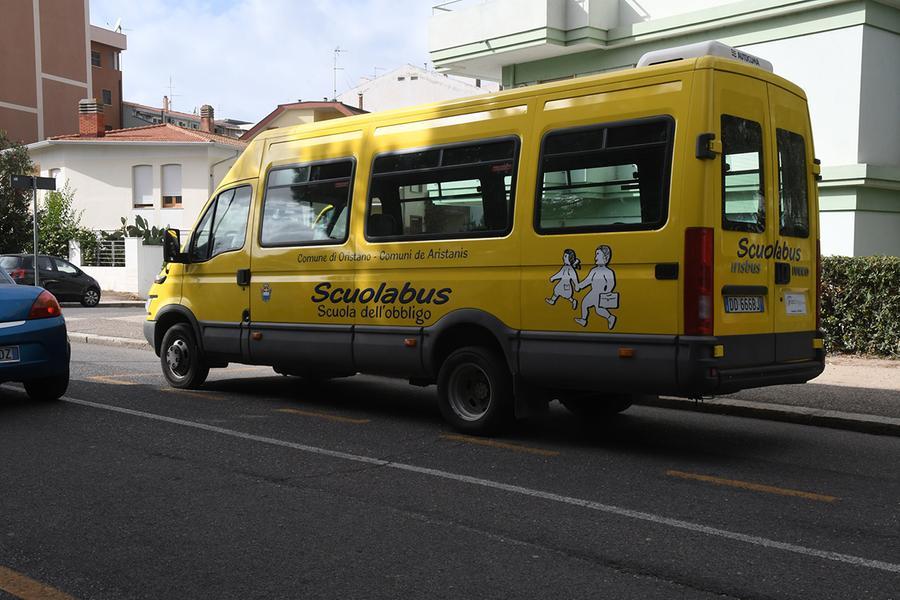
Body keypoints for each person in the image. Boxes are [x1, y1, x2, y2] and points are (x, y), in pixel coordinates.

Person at [574, 245, 618, 329]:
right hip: (593, 292)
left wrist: (607, 292)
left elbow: (611, 283)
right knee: (584, 304)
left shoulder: (608, 272)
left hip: (601, 293)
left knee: (598, 310)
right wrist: (580, 286)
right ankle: (584, 320)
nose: (595, 257)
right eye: (595, 254)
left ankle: (610, 317)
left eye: (598, 254)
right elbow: (588, 280)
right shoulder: (594, 270)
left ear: (605, 258)